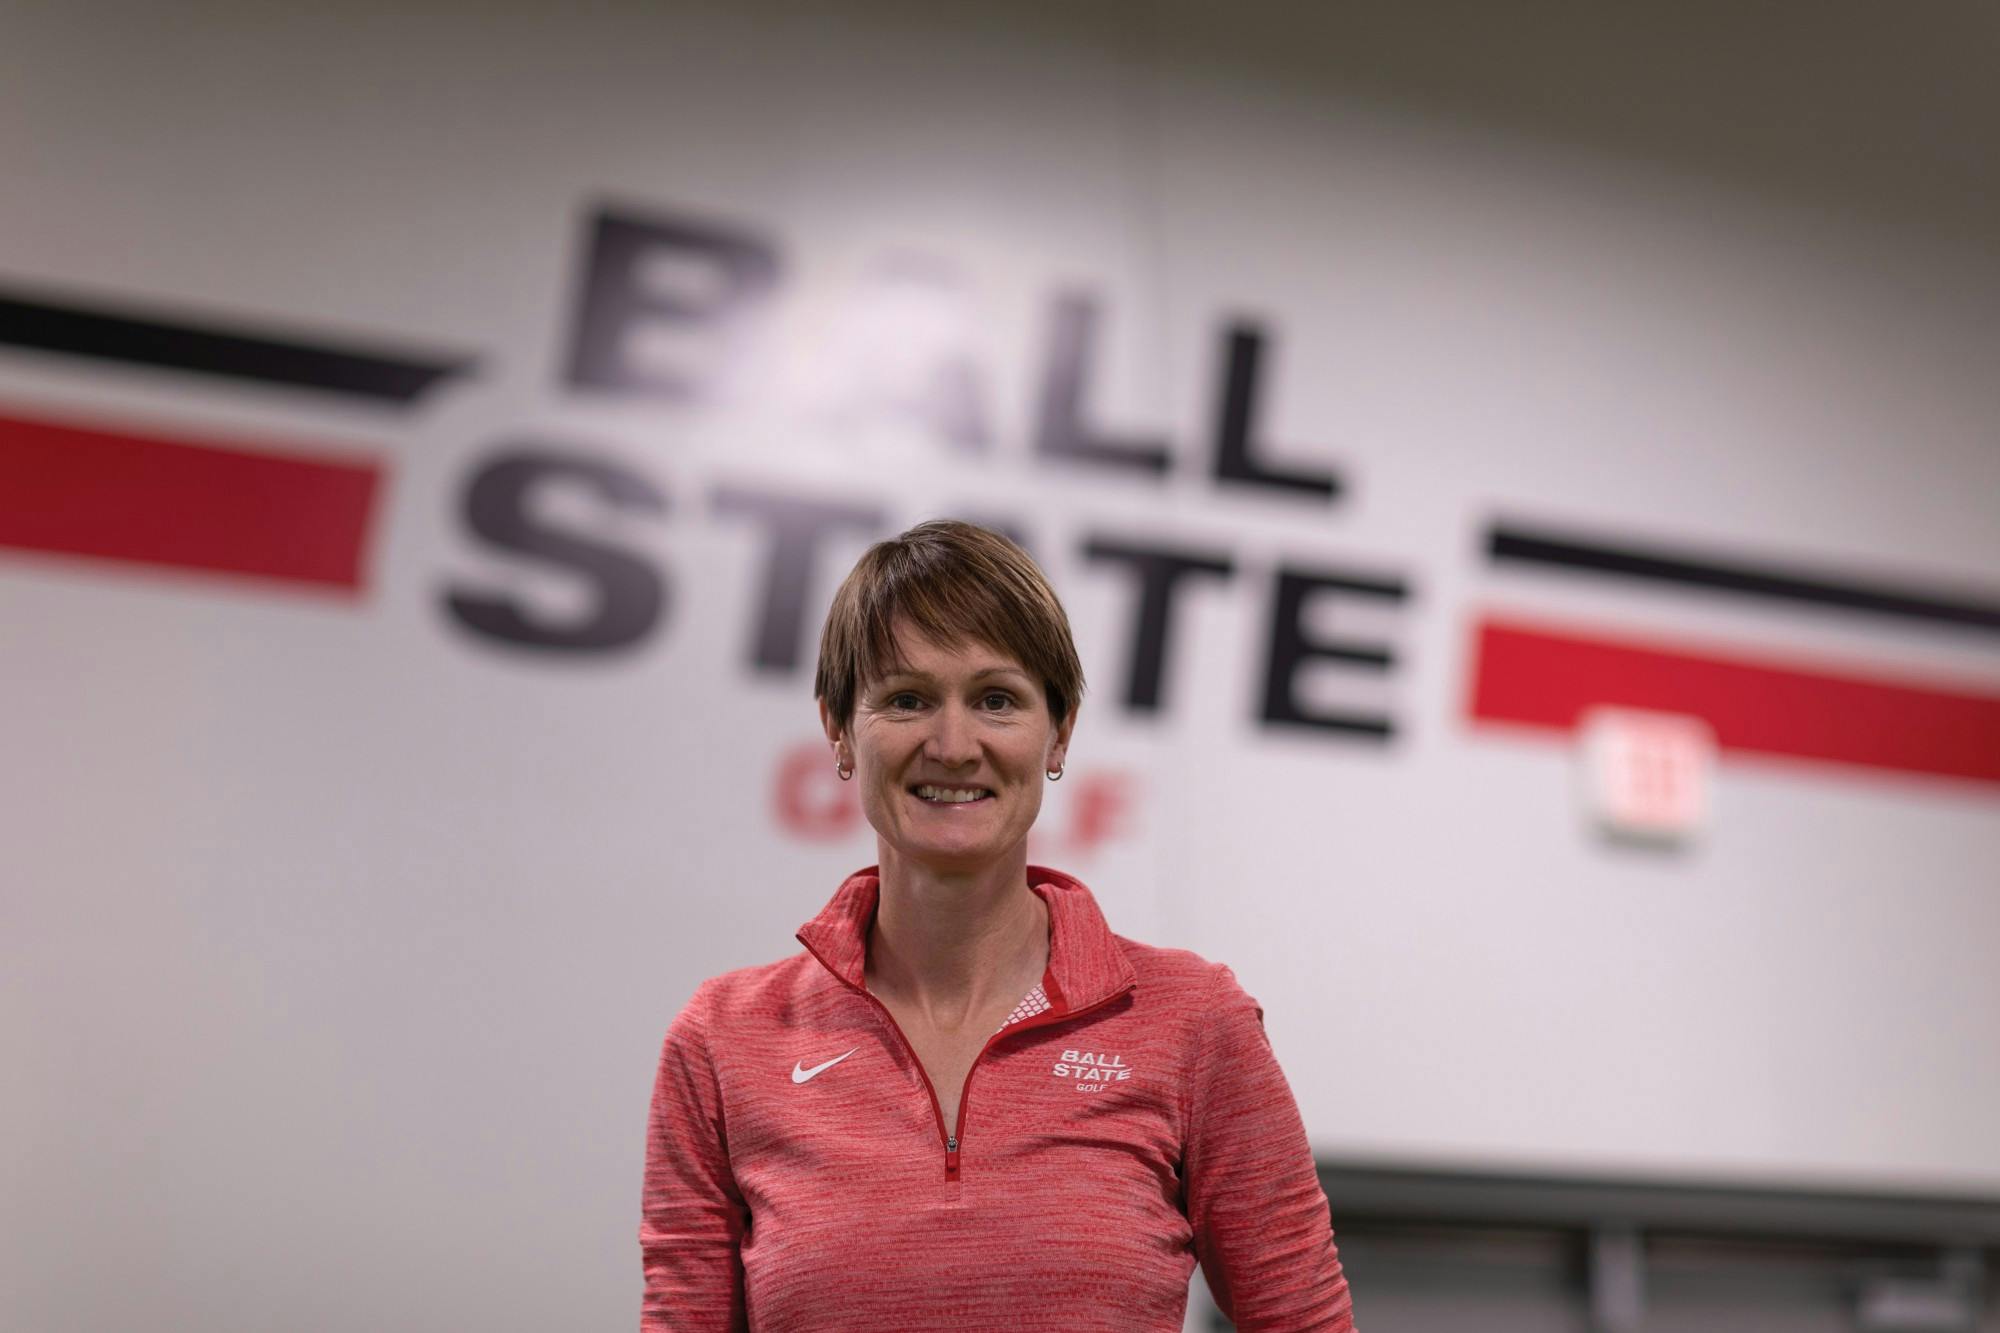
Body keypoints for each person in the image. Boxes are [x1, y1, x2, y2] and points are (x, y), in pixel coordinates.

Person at [640, 519, 1355, 1331]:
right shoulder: (724, 1039)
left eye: (996, 699)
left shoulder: (1192, 1021)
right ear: (839, 728)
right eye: (907, 699)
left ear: (1060, 731)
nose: (953, 743)